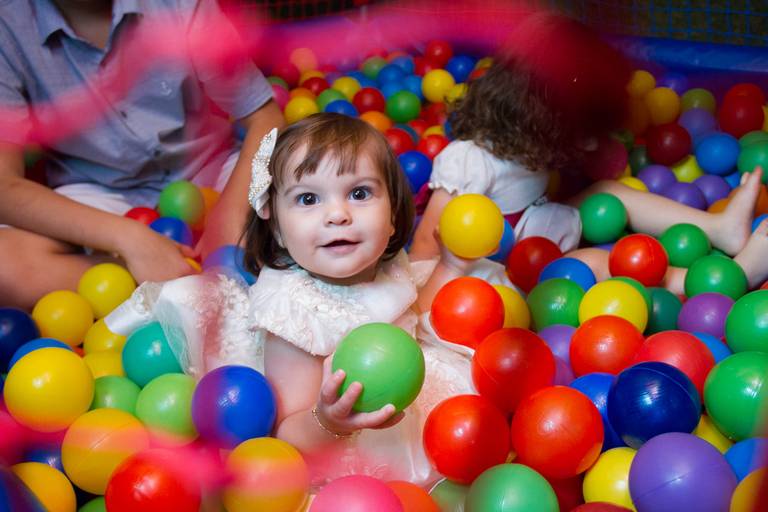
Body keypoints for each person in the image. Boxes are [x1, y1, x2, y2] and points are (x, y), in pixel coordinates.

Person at [106, 113, 503, 488]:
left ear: (394, 215)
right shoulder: (294, 314)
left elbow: (413, 310)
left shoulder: (387, 264)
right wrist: (330, 421)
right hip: (343, 435)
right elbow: (286, 432)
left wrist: (451, 265)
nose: (338, 214)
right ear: (277, 228)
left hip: (417, 397)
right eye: (309, 199)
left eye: (359, 193)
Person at [408, 12, 768, 295]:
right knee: (596, 262)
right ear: (544, 119)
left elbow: (601, 158)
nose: (593, 140)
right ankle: (727, 280)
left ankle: (720, 229)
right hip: (495, 273)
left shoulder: (534, 140)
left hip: (533, 230)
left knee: (607, 192)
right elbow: (424, 253)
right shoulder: (467, 161)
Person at [0, 0, 285, 310]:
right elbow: (5, 188)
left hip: (209, 169)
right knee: (6, 267)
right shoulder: (8, 23)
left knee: (302, 214)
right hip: (97, 193)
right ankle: (163, 279)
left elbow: (265, 119)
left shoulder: (180, 5)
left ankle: (176, 280)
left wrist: (231, 213)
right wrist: (127, 239)